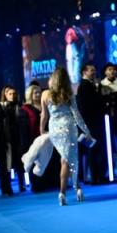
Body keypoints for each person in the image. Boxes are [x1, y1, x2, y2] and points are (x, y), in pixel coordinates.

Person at [41, 67, 94, 205]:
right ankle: (66, 191)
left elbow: (44, 115)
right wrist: (86, 131)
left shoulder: (45, 94)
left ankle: (75, 189)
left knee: (65, 160)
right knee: (69, 160)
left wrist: (41, 130)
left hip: (54, 130)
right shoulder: (69, 94)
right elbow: (76, 115)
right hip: (68, 128)